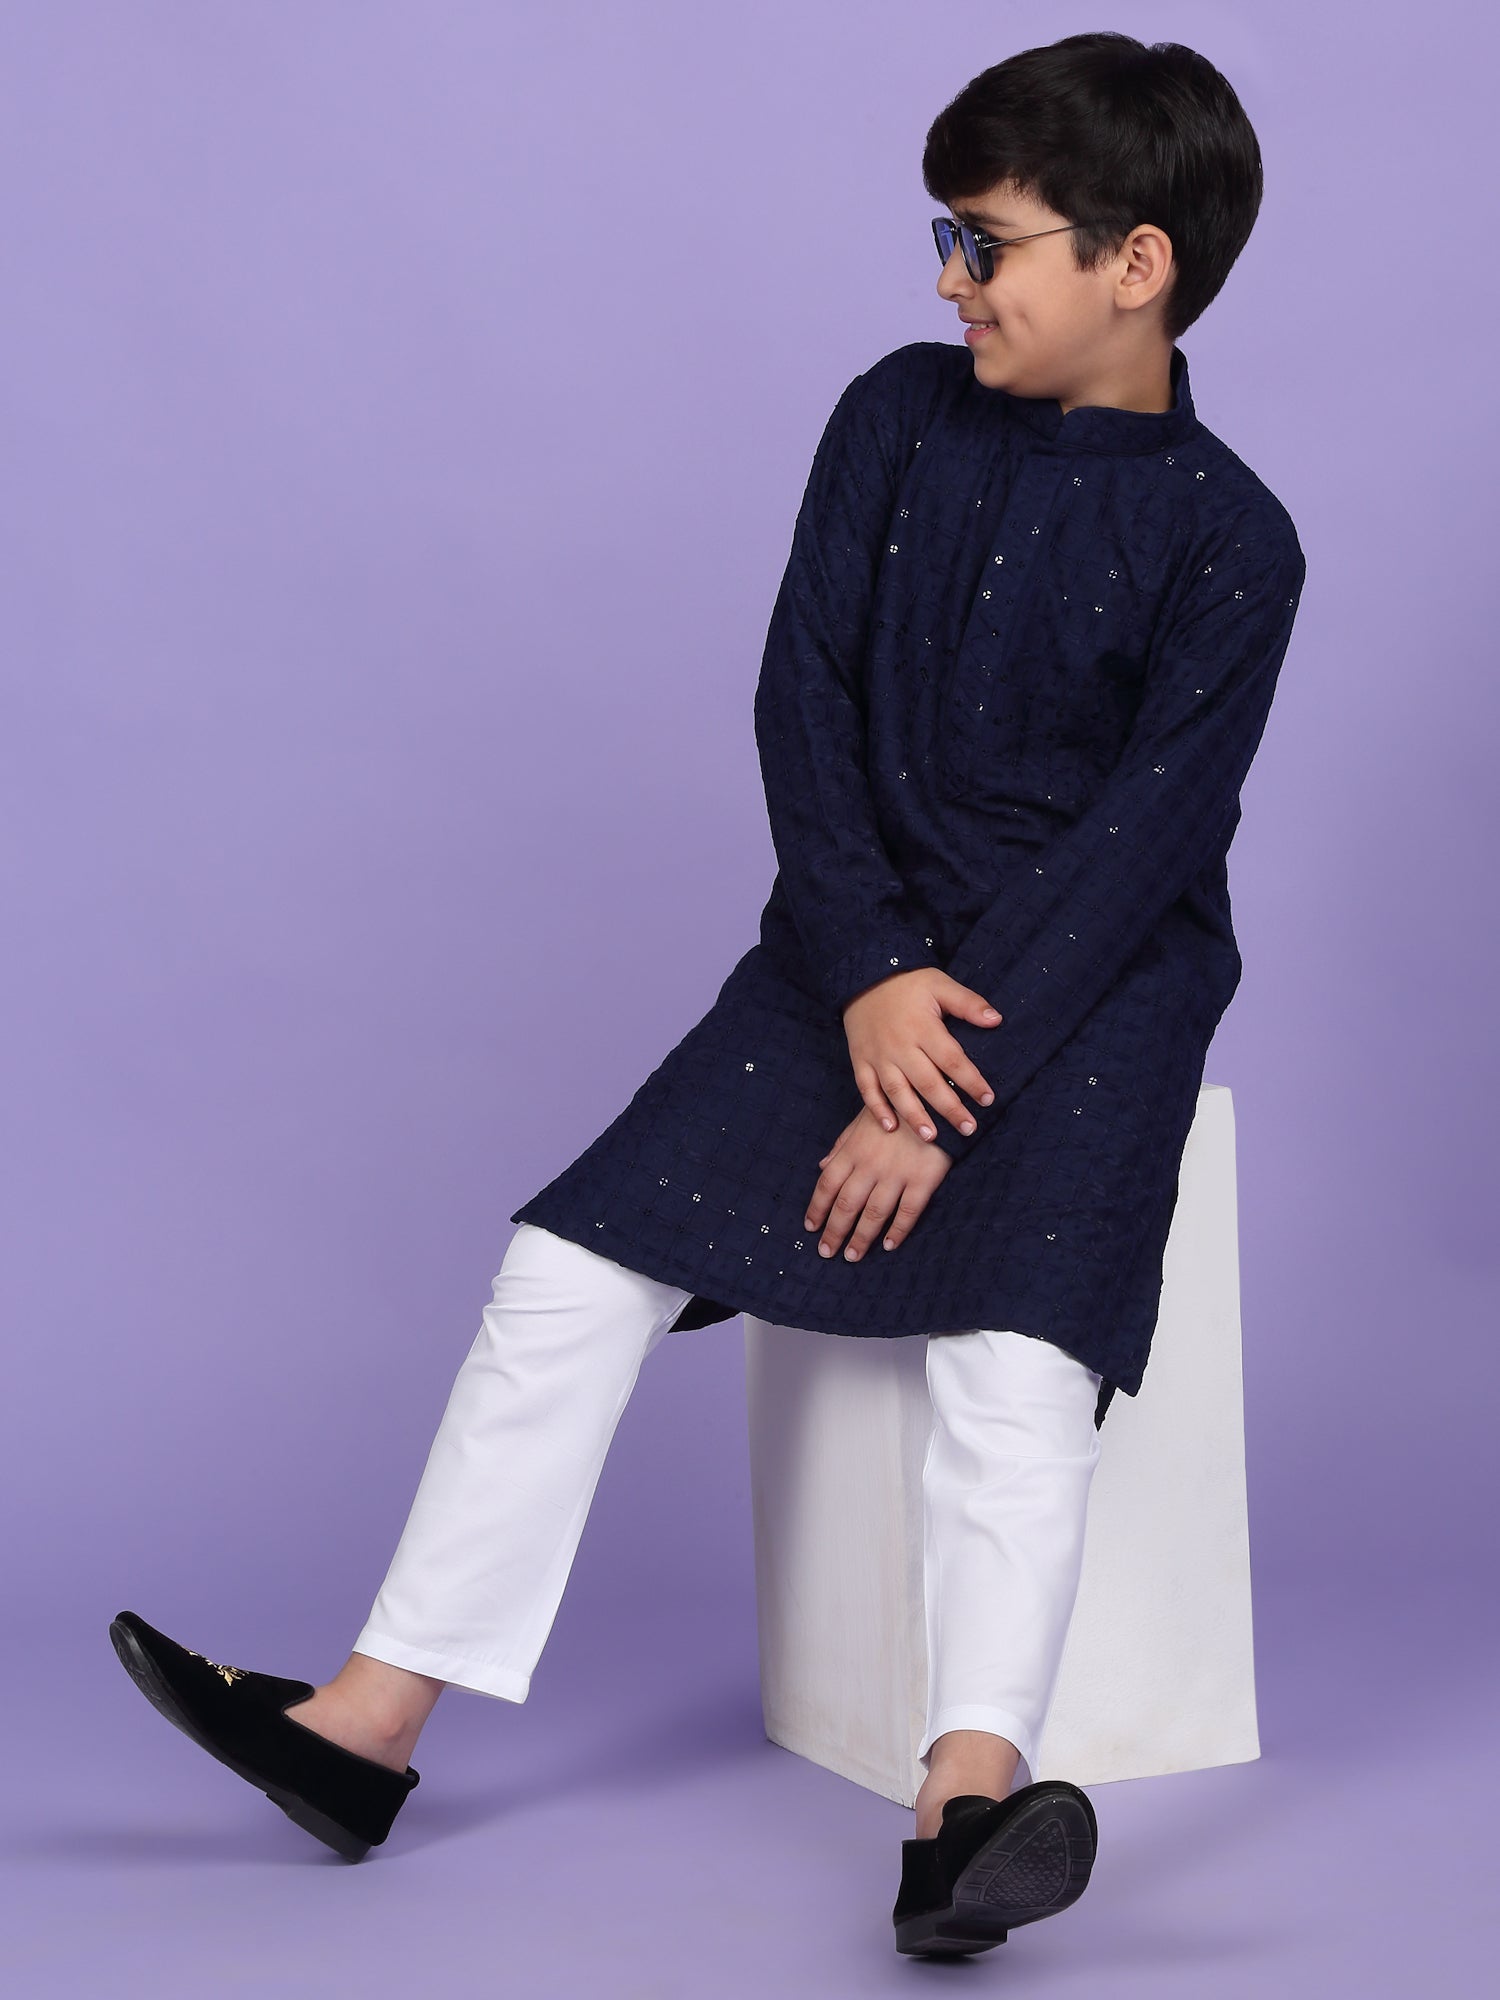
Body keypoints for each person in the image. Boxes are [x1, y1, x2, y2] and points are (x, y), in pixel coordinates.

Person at [110, 30, 1307, 1961]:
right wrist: (872, 979)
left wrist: (935, 1088)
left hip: (1087, 998)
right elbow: (801, 702)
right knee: (565, 1272)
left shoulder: (1239, 542)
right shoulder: (894, 418)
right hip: (847, 948)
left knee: (1017, 1367)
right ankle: (367, 1725)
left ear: (1135, 263)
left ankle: (965, 1808)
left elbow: (1139, 850)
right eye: (944, 237)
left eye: (986, 242)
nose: (950, 279)